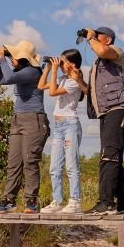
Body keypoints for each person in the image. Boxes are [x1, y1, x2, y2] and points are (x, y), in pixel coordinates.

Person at [81, 26, 124, 215]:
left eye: (98, 36)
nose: (94, 38)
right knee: (112, 157)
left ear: (109, 39)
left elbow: (102, 50)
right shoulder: (97, 64)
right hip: (107, 112)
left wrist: (90, 38)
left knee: (108, 156)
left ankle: (106, 203)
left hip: (119, 109)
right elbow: (91, 93)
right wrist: (78, 80)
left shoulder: (115, 52)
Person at [0, 39, 49, 214]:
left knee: (30, 161)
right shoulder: (22, 72)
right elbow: (1, 79)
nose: (11, 59)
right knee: (14, 162)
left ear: (22, 58)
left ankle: (31, 201)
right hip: (18, 119)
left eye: (13, 56)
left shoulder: (32, 71)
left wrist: (2, 59)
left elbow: (8, 77)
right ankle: (9, 201)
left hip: (34, 118)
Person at [38, 49, 85, 214]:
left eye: (63, 61)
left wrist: (55, 71)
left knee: (71, 165)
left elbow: (52, 92)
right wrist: (48, 68)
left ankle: (75, 201)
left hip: (70, 124)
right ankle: (57, 201)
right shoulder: (62, 79)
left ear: (72, 64)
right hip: (58, 127)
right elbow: (40, 86)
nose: (60, 64)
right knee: (54, 167)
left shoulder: (74, 81)